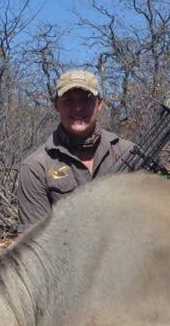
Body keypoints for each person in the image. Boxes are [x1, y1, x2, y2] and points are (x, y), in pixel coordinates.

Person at [15, 69, 134, 233]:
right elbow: (35, 246)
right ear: (56, 105)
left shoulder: (128, 153)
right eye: (69, 100)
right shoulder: (35, 168)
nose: (78, 108)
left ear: (99, 104)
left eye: (86, 100)